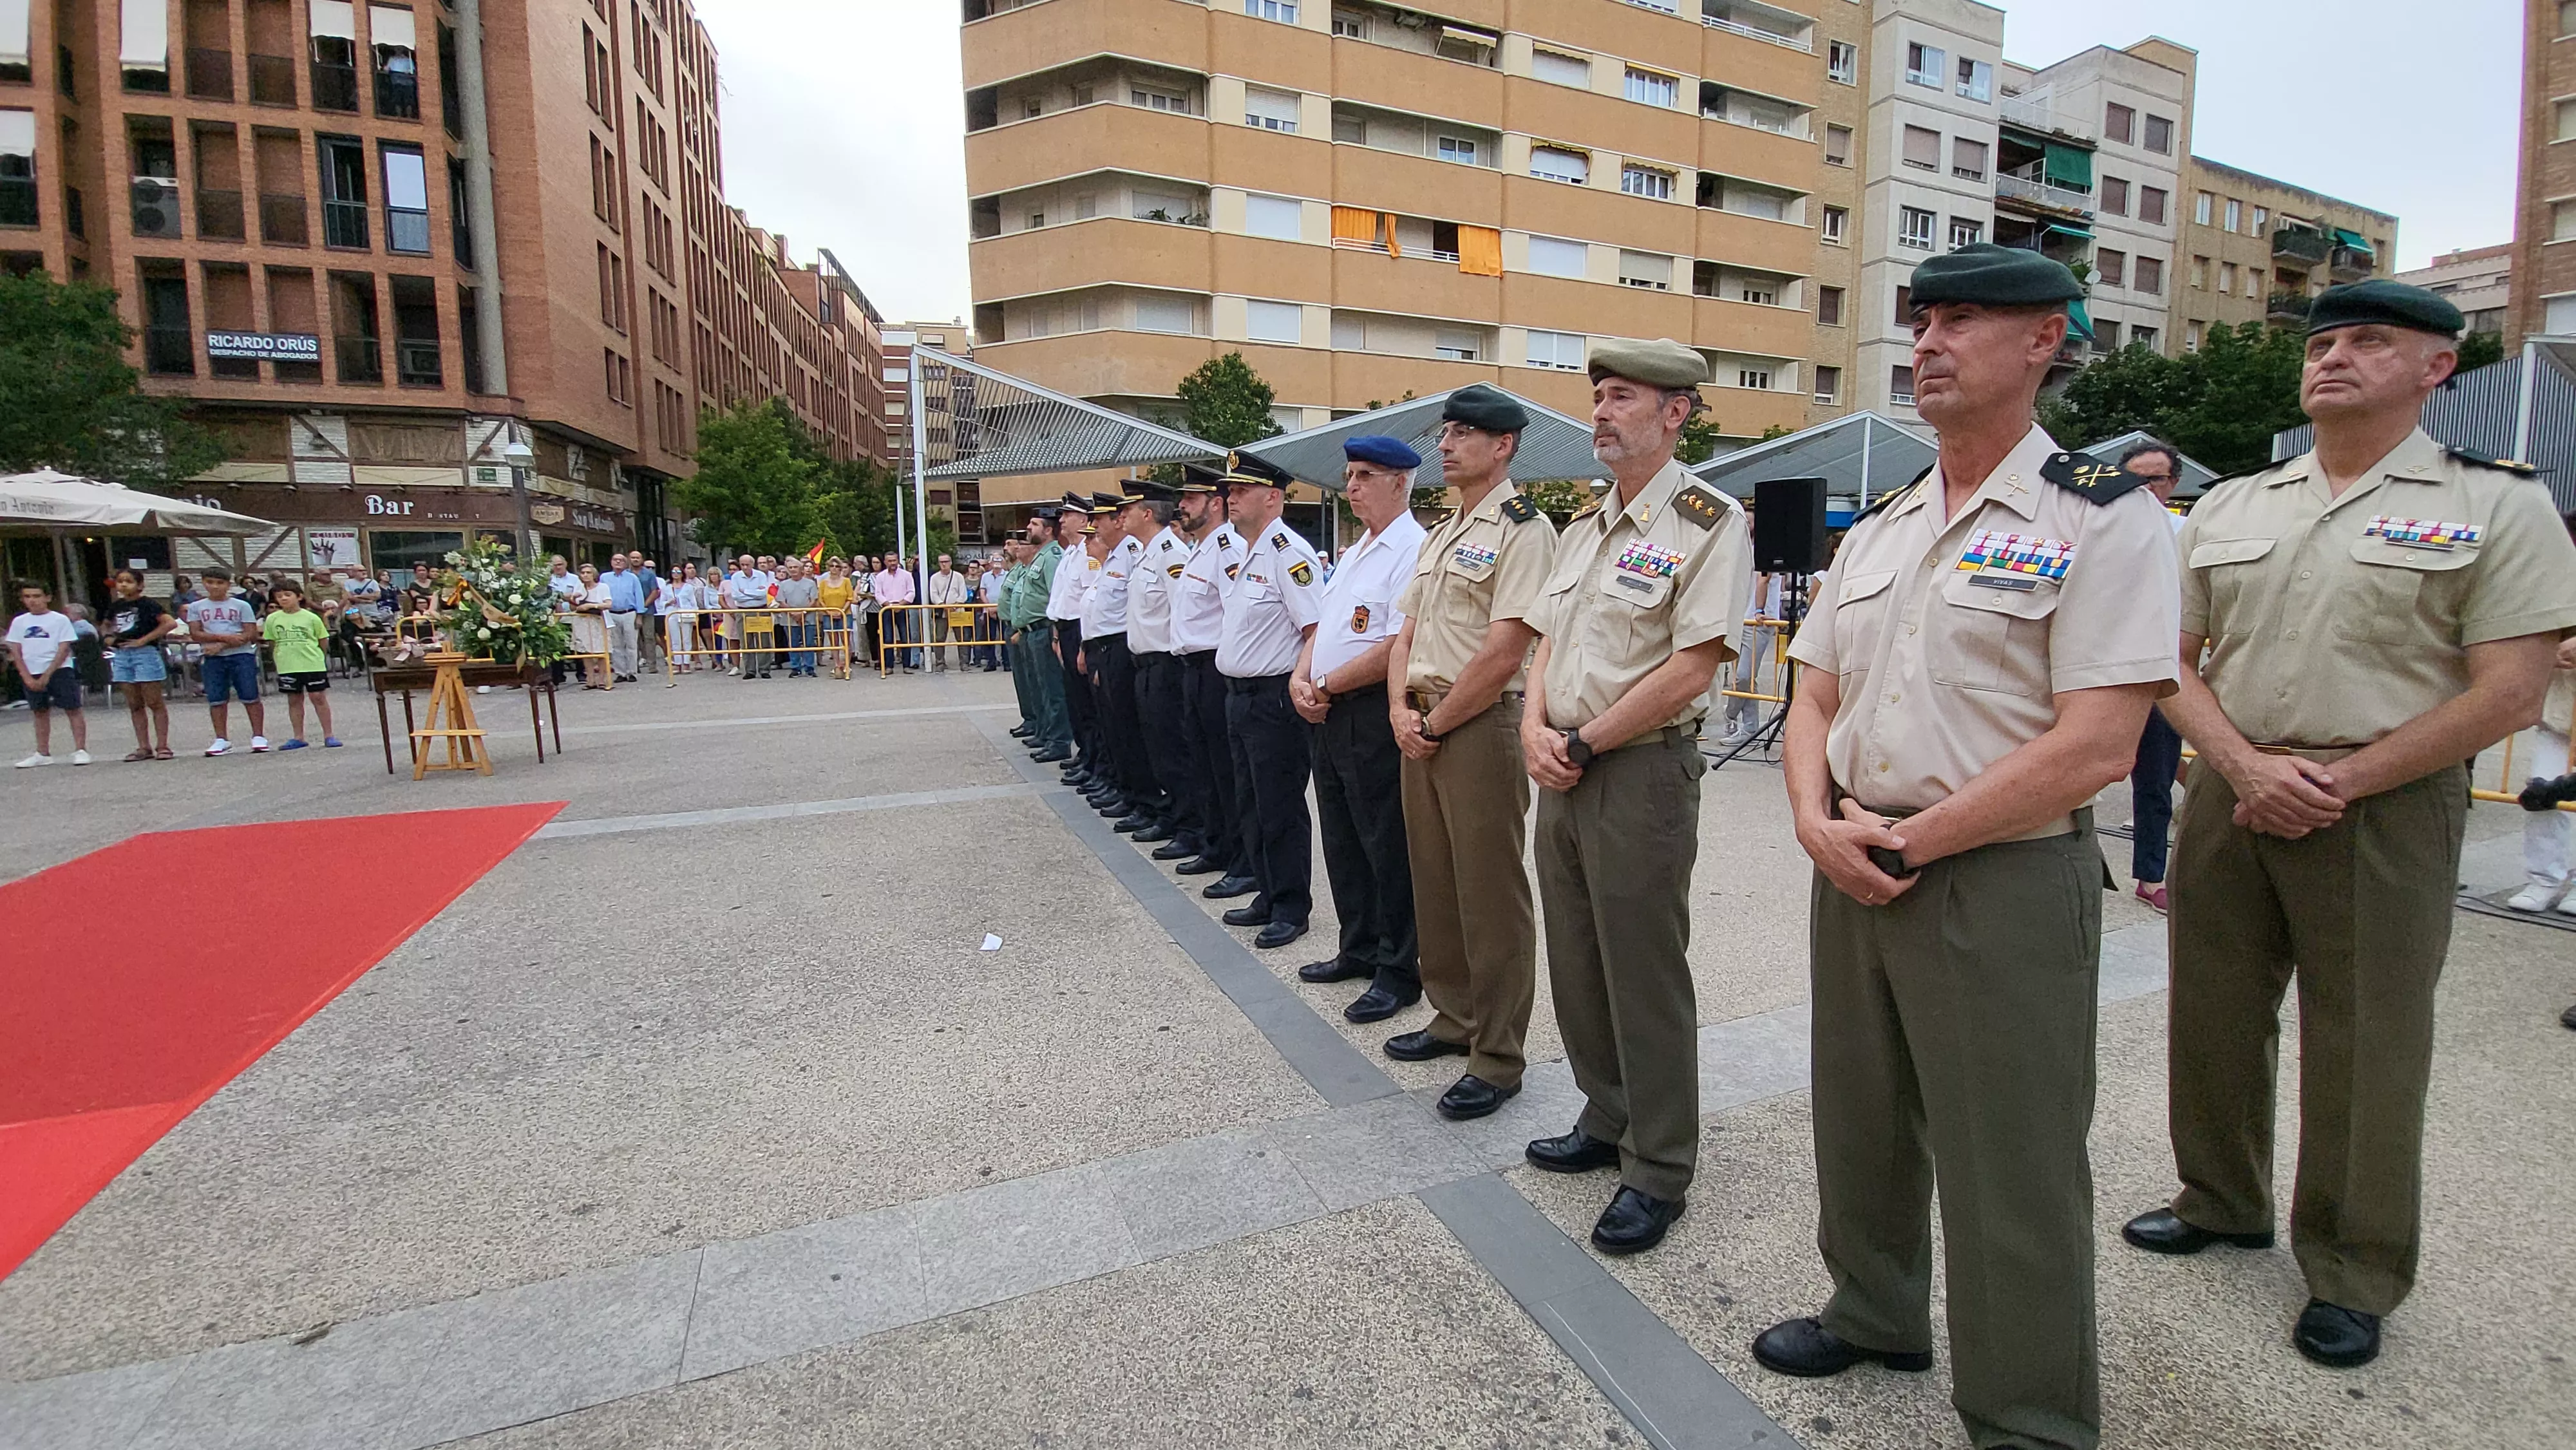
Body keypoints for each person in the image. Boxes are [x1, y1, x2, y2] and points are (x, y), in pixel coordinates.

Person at [1752, 248, 2179, 1450]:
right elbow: (1812, 695)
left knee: (2013, 1165)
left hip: (1999, 874)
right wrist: (1813, 819)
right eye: (1924, 317)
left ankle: (2027, 1415)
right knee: (1863, 1115)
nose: (1929, 340)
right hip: (1860, 860)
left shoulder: (2106, 514)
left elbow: (2101, 740)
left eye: (1965, 318)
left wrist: (1914, 839)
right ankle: (1876, 1308)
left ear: (2044, 340)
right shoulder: (1885, 523)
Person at [2123, 279, 2576, 1371]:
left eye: (2370, 341)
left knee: (2369, 1039)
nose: (2332, 357)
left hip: (2385, 801)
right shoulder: (2233, 505)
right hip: (2235, 785)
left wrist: (2344, 777)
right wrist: (2237, 764)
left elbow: (2511, 689)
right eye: (2322, 342)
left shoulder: (2497, 502)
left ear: (2436, 370)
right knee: (2216, 1015)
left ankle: (2355, 1263)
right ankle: (2220, 1196)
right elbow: (2168, 662)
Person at [1516, 338, 1752, 1258]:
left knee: (1643, 968)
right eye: (1598, 397)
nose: (1601, 414)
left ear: (1677, 414)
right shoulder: (1583, 526)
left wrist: (1581, 740)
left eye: (1621, 398)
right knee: (1576, 957)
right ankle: (1605, 1114)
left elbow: (1694, 665)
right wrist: (1535, 729)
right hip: (1563, 767)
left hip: (1640, 769)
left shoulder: (1705, 521)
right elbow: (1543, 644)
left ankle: (1659, 1164)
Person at [1385, 386, 1557, 1120]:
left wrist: (1436, 721)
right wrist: (1399, 707)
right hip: (1418, 722)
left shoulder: (1525, 527)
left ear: (1504, 445)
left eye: (1463, 433)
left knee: (1490, 893)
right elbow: (1408, 635)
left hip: (1475, 725)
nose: (1446, 444)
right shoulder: (1442, 528)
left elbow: (1506, 648)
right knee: (1436, 882)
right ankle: (1452, 1015)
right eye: (1445, 431)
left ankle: (1497, 1053)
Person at [1294, 436, 1427, 1022]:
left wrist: (1326, 685)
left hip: (1372, 709)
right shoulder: (1353, 553)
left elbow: (1398, 641)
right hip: (1329, 710)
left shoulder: (1413, 549)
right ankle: (1359, 947)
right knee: (1343, 838)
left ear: (1401, 482)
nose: (1352, 485)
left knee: (1385, 842)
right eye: (1349, 475)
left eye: (1365, 475)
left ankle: (1398, 971)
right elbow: (1323, 626)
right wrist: (1302, 676)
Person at [1215, 453, 1322, 950]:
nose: (1229, 498)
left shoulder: (1287, 552)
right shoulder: (1249, 552)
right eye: (1229, 490)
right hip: (1240, 698)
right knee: (1251, 803)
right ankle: (1266, 890)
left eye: (1241, 490)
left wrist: (1301, 685)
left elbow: (1315, 630)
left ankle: (1290, 906)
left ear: (1273, 497)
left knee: (1279, 806)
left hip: (1273, 698)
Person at [2116, 440, 2192, 912]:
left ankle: (2151, 874)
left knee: (2155, 779)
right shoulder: (2097, 526)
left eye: (2155, 479)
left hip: (2159, 671)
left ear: (2173, 484)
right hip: (2100, 671)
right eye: (2134, 479)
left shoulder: (2186, 533)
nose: (2144, 489)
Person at [1171, 468, 1247, 884]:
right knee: (1204, 766)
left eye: (1191, 498)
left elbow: (1237, 614)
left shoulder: (1228, 547)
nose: (1182, 505)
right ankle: (1215, 845)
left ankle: (1240, 859)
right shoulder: (1200, 549)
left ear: (1214, 504)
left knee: (1225, 769)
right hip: (1193, 668)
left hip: (1216, 668)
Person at [1126, 484, 1196, 854]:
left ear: (1148, 514)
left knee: (1174, 751)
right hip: (1145, 664)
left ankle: (1188, 827)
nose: (1123, 516)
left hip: (1166, 665)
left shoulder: (1171, 553)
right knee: (1158, 748)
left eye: (1130, 509)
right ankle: (1171, 816)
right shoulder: (1146, 554)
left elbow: (1180, 608)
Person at [185, 568, 269, 755]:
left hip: (241, 655)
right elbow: (196, 633)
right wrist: (226, 638)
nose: (215, 586)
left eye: (220, 583)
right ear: (204, 583)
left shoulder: (241, 606)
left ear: (228, 585)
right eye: (210, 582)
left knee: (250, 695)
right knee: (216, 698)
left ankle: (258, 736)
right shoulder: (196, 607)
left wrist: (221, 645)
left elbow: (249, 633)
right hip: (212, 657)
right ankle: (221, 739)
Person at [1046, 495, 1100, 775]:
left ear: (1084, 520)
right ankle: (1084, 753)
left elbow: (1090, 601)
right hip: (1065, 630)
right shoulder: (1070, 553)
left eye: (1068, 515)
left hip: (1081, 631)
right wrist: (1056, 635)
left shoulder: (1089, 556)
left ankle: (1094, 760)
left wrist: (1082, 645)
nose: (1062, 520)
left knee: (1086, 701)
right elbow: (1060, 601)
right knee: (1074, 700)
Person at [8, 581, 90, 766]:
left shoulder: (59, 620)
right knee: (39, 711)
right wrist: (26, 676)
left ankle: (80, 749)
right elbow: (16, 651)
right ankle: (42, 752)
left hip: (59, 670)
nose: (33, 601)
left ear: (47, 598)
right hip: (32, 670)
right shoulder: (19, 622)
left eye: (37, 596)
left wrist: (48, 674)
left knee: (72, 708)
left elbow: (64, 648)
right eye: (28, 597)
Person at [105, 569, 178, 760]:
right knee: (134, 703)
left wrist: (144, 640)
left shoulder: (149, 605)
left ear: (139, 585)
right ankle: (143, 746)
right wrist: (108, 637)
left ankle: (162, 745)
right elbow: (106, 625)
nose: (123, 585)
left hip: (144, 653)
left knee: (154, 701)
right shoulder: (115, 607)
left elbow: (169, 623)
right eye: (120, 581)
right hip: (122, 653)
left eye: (128, 581)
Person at [260, 581, 340, 749]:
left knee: (318, 698)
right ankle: (298, 737)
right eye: (279, 596)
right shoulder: (273, 619)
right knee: (294, 700)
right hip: (288, 665)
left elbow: (322, 639)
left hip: (312, 663)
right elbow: (272, 641)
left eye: (288, 595)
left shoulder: (311, 617)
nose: (283, 599)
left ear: (299, 597)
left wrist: (318, 656)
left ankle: (329, 735)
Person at [1716, 570, 1785, 748]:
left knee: (1744, 676)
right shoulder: (1747, 546)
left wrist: (1759, 610)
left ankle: (1731, 713)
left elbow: (1764, 578)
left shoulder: (1766, 548)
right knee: (1746, 677)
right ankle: (1750, 727)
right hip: (1742, 618)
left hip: (1759, 621)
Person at [871, 553, 917, 672]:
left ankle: (907, 665)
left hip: (902, 608)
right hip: (887, 608)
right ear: (885, 562)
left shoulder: (906, 575)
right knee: (887, 638)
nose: (892, 563)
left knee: (905, 637)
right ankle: (889, 666)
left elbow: (911, 592)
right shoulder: (881, 577)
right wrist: (889, 605)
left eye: (894, 560)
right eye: (890, 561)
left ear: (897, 561)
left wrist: (901, 604)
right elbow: (878, 594)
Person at [569, 562, 612, 689]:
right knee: (586, 650)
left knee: (601, 650)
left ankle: (602, 679)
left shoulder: (602, 587)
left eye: (588, 573)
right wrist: (573, 598)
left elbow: (609, 604)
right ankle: (590, 679)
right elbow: (573, 607)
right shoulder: (579, 588)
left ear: (594, 574)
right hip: (583, 621)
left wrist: (592, 605)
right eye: (583, 573)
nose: (586, 575)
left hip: (598, 621)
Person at [603, 552, 645, 682]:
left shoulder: (632, 578)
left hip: (629, 613)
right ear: (611, 562)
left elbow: (639, 596)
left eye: (621, 560)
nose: (618, 562)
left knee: (631, 644)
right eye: (616, 560)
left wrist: (639, 616)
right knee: (616, 645)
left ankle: (632, 672)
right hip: (612, 613)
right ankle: (620, 672)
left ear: (626, 563)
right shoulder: (604, 577)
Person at [925, 553, 970, 672]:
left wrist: (957, 604)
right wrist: (942, 605)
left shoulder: (958, 576)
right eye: (941, 562)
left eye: (946, 561)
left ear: (951, 562)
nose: (944, 564)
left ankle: (964, 663)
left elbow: (963, 593)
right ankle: (940, 663)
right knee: (940, 637)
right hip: (942, 611)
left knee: (962, 638)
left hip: (958, 610)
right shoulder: (934, 578)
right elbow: (933, 594)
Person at [817, 557, 857, 674]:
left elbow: (850, 597)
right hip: (829, 614)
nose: (834, 568)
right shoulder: (824, 583)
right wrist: (829, 612)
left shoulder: (846, 581)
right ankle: (837, 664)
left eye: (837, 566)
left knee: (846, 640)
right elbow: (821, 599)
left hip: (845, 613)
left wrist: (842, 611)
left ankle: (847, 665)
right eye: (832, 566)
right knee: (833, 641)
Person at [976, 554, 1008, 670]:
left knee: (1005, 636)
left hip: (1003, 610)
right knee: (989, 637)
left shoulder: (1007, 575)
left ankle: (1007, 662)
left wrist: (999, 608)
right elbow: (983, 592)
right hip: (988, 610)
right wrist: (989, 607)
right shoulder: (985, 576)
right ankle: (991, 662)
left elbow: (1008, 594)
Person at [634, 556, 663, 674]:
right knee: (633, 639)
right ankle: (634, 665)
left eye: (637, 558)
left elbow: (655, 592)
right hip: (631, 610)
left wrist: (643, 607)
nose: (635, 560)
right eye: (633, 558)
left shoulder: (649, 575)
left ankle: (652, 665)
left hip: (648, 609)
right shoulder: (627, 574)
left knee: (649, 637)